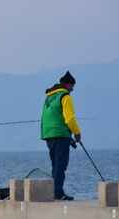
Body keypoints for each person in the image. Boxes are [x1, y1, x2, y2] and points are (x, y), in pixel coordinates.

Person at [41, 71, 81, 201]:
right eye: (72, 86)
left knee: (55, 165)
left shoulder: (49, 97)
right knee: (61, 165)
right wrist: (77, 133)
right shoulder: (65, 96)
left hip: (48, 135)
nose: (73, 89)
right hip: (60, 135)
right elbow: (69, 118)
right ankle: (58, 193)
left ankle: (54, 191)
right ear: (67, 85)